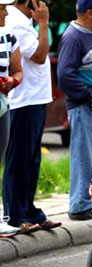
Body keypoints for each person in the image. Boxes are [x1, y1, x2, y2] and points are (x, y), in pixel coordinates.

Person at [3, 0, 61, 233]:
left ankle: (29, 210)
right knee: (18, 161)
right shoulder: (14, 22)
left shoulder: (25, 22)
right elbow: (38, 56)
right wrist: (44, 24)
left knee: (31, 161)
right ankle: (14, 216)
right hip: (23, 101)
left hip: (36, 99)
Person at [57, 0, 92, 220]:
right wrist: (89, 97)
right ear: (90, 12)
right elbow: (64, 76)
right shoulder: (73, 37)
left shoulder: (90, 32)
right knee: (84, 156)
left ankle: (89, 200)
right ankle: (79, 205)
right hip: (86, 106)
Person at [0, 0, 22, 237]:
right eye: (2, 8)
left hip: (2, 106)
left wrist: (11, 81)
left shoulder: (9, 37)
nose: (6, 12)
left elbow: (18, 71)